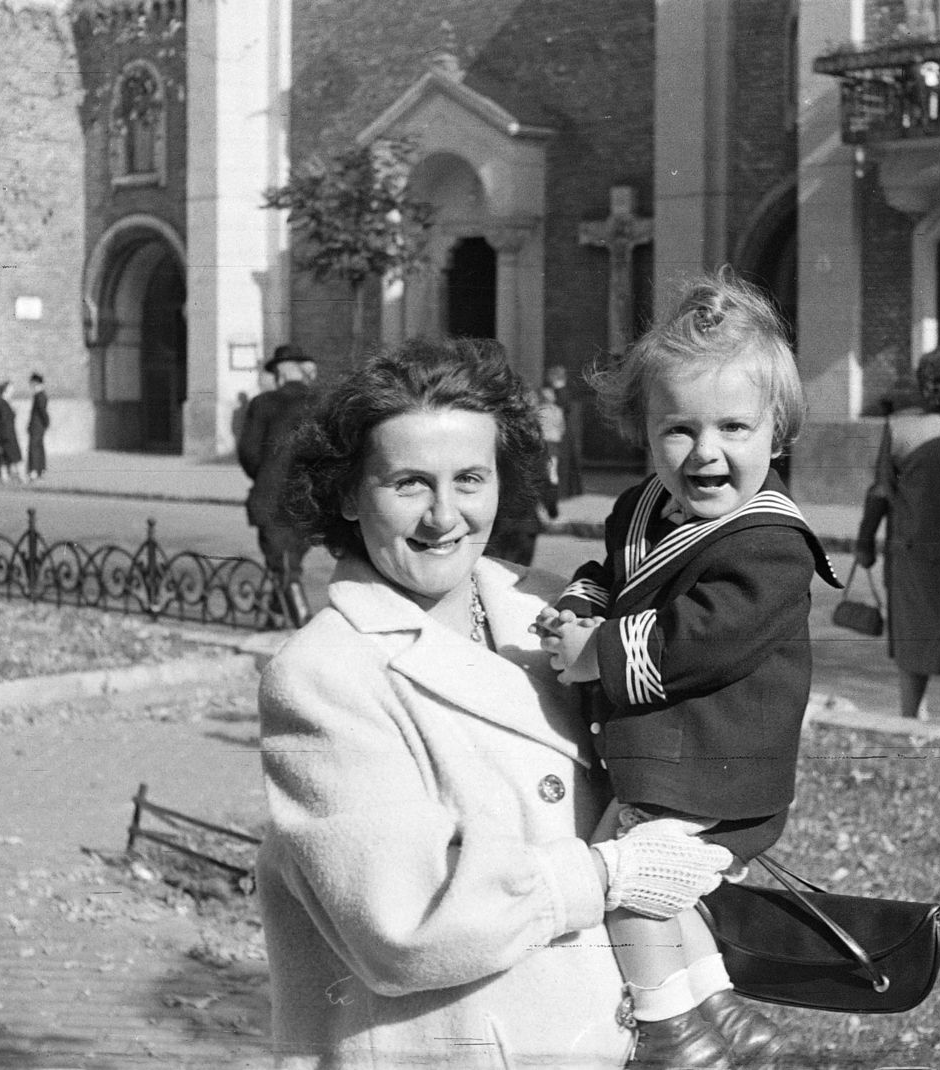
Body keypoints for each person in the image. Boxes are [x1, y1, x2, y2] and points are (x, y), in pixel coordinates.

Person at [257, 337, 734, 1069]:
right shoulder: (325, 674)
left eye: (470, 479)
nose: (444, 516)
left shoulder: (548, 608)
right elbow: (403, 929)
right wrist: (612, 872)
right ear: (350, 495)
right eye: (410, 483)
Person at [537, 273, 842, 1069]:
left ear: (777, 435)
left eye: (734, 428)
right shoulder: (642, 507)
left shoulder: (769, 544)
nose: (706, 452)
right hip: (676, 761)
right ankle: (723, 1014)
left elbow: (697, 638)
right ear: (646, 431)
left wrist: (599, 654)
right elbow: (614, 573)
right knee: (674, 901)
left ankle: (674, 1039)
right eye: (678, 430)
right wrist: (579, 603)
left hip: (717, 769)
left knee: (631, 893)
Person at [854, 346, 940, 723]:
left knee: (912, 645)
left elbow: (881, 491)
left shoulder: (901, 426)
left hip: (911, 554)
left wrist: (865, 542)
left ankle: (910, 720)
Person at [236, 345, 314, 622]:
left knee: (284, 569)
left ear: (281, 372)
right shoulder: (322, 402)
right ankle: (274, 621)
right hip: (309, 502)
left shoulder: (264, 404)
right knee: (287, 563)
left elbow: (248, 453)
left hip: (273, 500)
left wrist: (267, 474)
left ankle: (303, 627)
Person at [546, 363, 586, 500]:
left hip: (560, 429)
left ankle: (563, 492)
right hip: (562, 429)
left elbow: (562, 409)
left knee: (562, 461)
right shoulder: (561, 391)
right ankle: (567, 491)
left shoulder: (560, 392)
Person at [536, 384, 567, 519]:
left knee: (542, 474)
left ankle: (546, 504)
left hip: (543, 444)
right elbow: (562, 429)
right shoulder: (557, 411)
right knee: (552, 475)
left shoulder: (538, 411)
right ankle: (552, 505)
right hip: (552, 443)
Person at [0, 381, 24, 483]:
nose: (13, 390)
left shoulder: (4, 402)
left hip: (6, 432)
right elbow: (4, 419)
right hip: (7, 433)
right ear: (6, 389)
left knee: (4, 455)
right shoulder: (2, 403)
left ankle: (4, 476)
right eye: (11, 388)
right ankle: (21, 476)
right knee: (15, 455)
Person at [26, 372, 50, 480]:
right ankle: (40, 469)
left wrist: (45, 422)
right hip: (38, 426)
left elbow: (41, 411)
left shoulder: (39, 395)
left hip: (37, 426)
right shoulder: (41, 395)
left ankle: (34, 470)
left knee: (34, 448)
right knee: (39, 447)